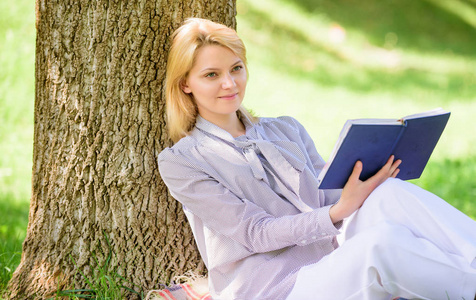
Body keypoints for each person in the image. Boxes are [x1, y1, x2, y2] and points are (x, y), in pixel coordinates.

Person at [158, 18, 476, 300]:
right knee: (381, 245)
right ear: (186, 83)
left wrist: (366, 180)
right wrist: (339, 209)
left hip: (328, 256)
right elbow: (254, 233)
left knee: (390, 193)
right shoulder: (183, 161)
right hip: (276, 288)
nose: (229, 83)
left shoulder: (285, 128)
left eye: (236, 68)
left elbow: (324, 192)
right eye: (212, 75)